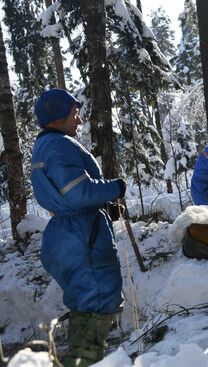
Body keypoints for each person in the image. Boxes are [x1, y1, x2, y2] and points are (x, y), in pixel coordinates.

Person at [30, 89, 126, 367]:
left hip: (73, 233)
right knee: (95, 304)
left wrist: (104, 207)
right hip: (81, 236)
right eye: (74, 113)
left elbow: (69, 193)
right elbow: (77, 192)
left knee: (87, 305)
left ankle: (86, 359)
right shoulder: (58, 145)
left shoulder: (49, 145)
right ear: (57, 115)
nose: (79, 119)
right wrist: (114, 188)